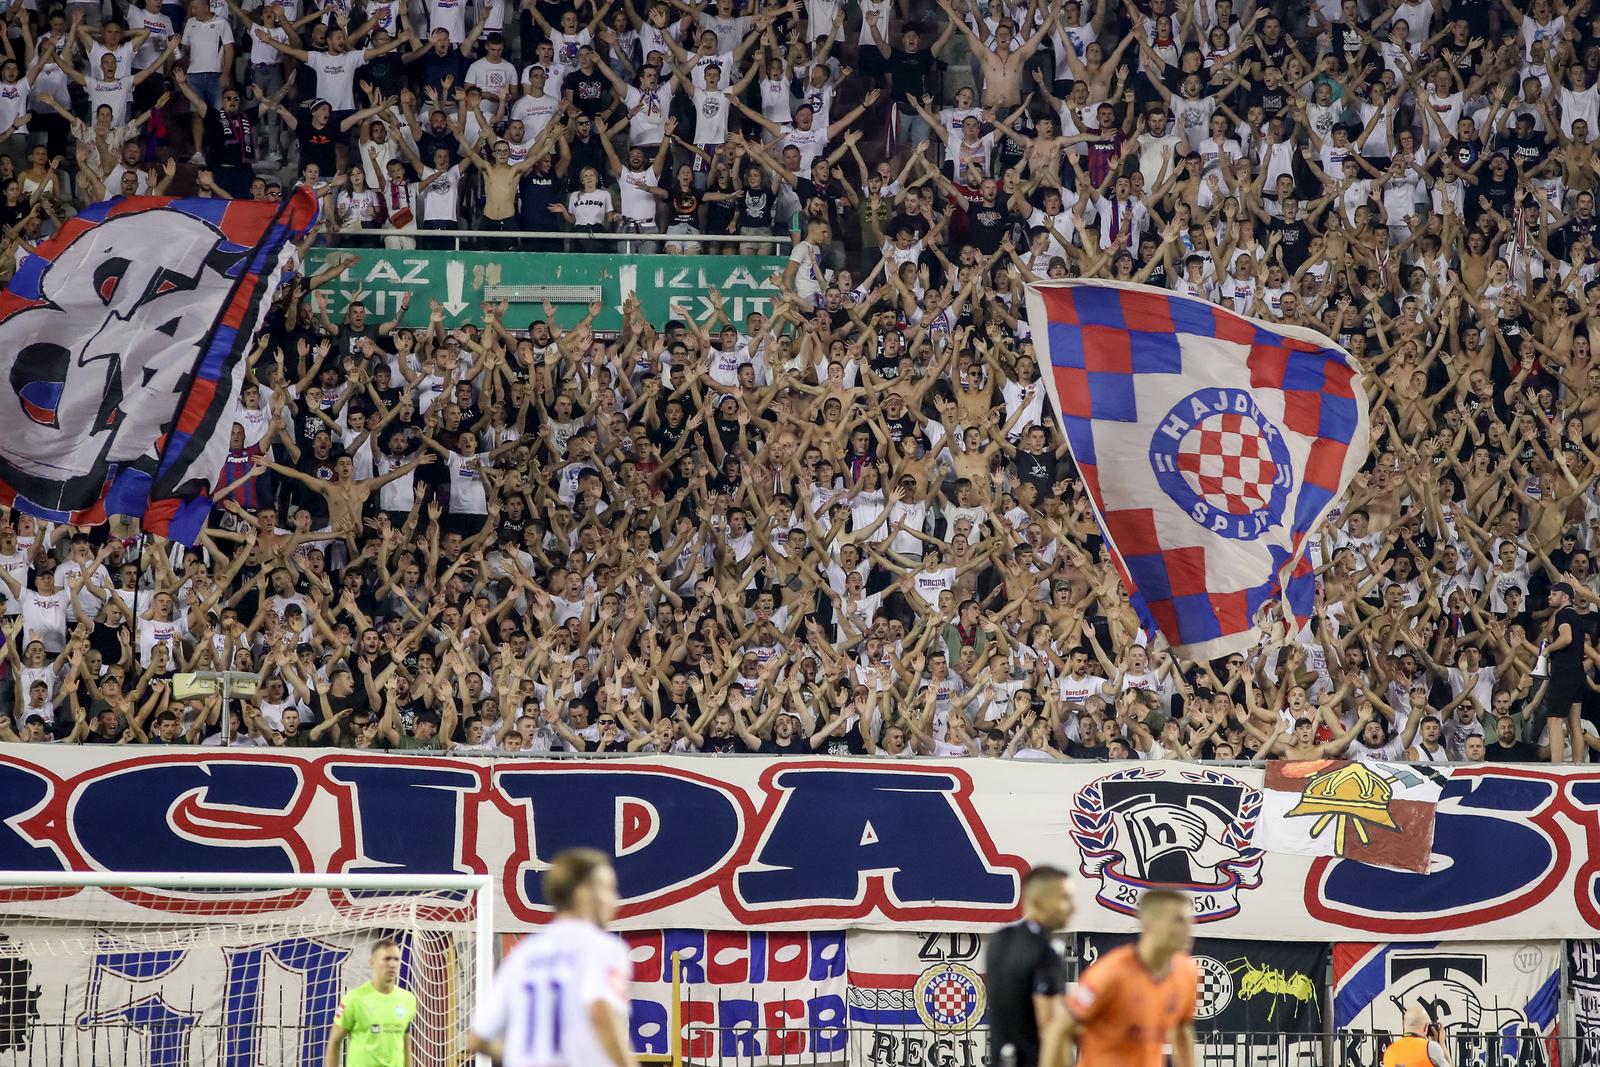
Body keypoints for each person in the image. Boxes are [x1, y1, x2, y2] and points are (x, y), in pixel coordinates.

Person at [468, 849, 637, 1067]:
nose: (615, 900)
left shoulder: (523, 955)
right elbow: (600, 1009)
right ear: (582, 894)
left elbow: (477, 1039)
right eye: (608, 890)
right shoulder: (601, 948)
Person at [1041, 890, 1197, 1067]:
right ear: (1149, 925)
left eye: (1190, 920)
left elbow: (1182, 1030)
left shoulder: (1187, 971)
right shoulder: (1110, 973)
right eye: (1178, 920)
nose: (1188, 928)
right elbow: (1057, 1031)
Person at [985, 865, 1074, 1067]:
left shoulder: (1000, 940)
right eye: (1064, 898)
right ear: (1039, 901)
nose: (1072, 907)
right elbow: (1051, 1029)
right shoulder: (1045, 950)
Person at [325, 939, 417, 1067]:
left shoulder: (408, 999)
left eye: (396, 959)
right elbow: (334, 1041)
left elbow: (406, 1046)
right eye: (386, 959)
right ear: (372, 962)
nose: (392, 964)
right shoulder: (354, 999)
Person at [1382, 1005, 1452, 1067]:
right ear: (1426, 1027)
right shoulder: (1430, 1047)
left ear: (1403, 1025)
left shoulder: (1389, 1051)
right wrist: (1442, 1044)